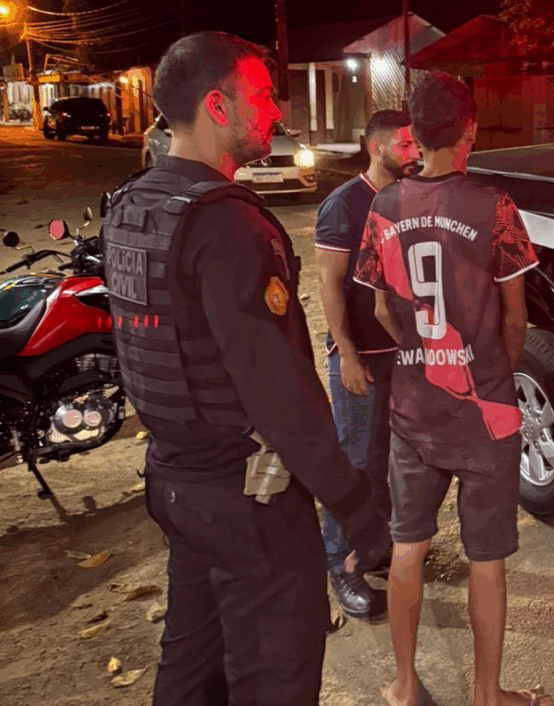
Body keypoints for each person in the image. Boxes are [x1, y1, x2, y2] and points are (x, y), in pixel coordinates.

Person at [101, 31, 388, 706]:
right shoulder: (226, 225)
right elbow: (275, 388)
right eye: (260, 94)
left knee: (191, 666)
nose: (275, 111)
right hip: (247, 502)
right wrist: (354, 504)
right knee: (273, 678)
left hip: (176, 485)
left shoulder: (133, 204)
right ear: (217, 105)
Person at [354, 71, 554, 706]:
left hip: (413, 408)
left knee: (408, 546)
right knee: (486, 559)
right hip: (484, 411)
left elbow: (382, 308)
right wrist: (488, 365)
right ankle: (488, 695)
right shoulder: (494, 207)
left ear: (414, 133)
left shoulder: (383, 206)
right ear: (470, 128)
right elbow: (516, 318)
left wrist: (422, 354)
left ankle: (404, 685)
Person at [315, 109, 420, 619]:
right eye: (404, 145)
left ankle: (375, 547)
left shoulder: (408, 199)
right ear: (375, 147)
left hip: (402, 353)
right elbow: (329, 284)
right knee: (354, 462)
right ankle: (340, 562)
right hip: (362, 360)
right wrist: (347, 355)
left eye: (415, 144)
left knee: (390, 461)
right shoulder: (344, 204)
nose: (413, 153)